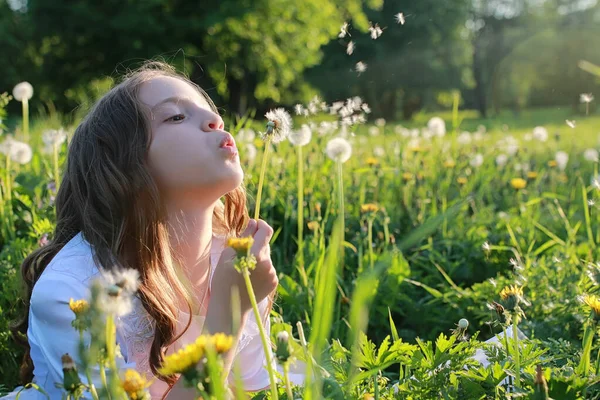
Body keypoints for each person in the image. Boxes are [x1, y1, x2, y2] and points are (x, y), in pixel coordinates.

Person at [3, 61, 304, 399]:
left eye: (210, 112)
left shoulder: (230, 258)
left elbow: (251, 390)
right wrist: (228, 313)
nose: (215, 121)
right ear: (123, 167)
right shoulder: (73, 291)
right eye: (176, 116)